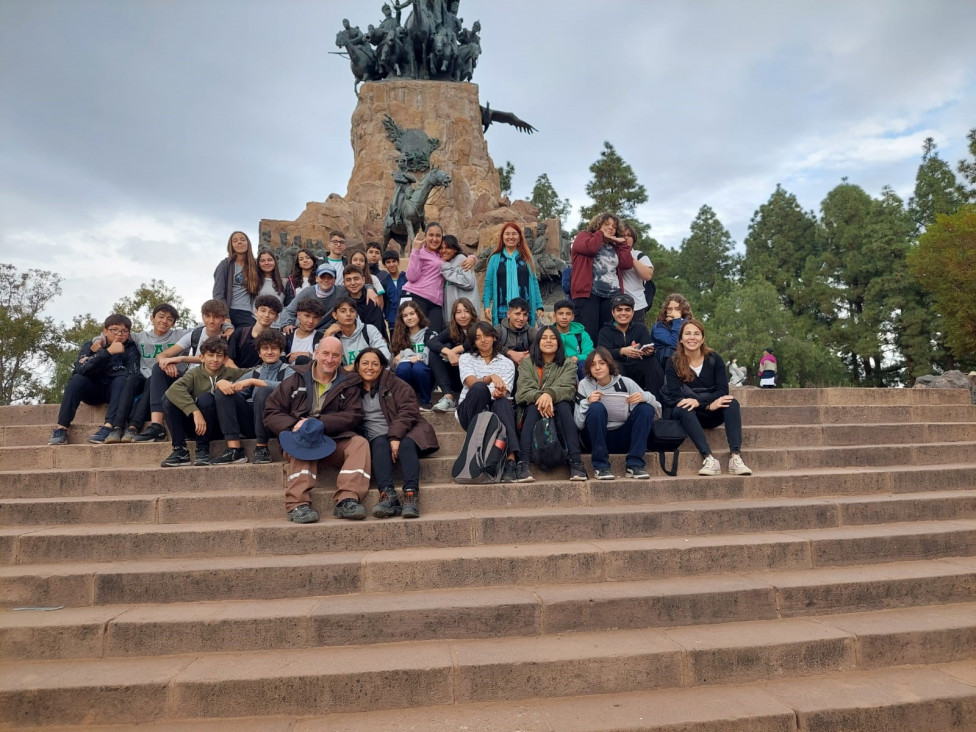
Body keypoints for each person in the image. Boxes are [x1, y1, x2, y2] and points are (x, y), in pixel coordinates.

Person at [263, 336, 371, 523]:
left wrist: (321, 423)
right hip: (302, 438)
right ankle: (298, 504)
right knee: (303, 440)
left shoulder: (349, 382)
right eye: (326, 354)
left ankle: (348, 499)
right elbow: (272, 411)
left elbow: (354, 415)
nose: (330, 359)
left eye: (335, 355)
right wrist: (294, 425)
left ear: (341, 357)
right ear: (316, 353)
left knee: (359, 443)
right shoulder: (295, 378)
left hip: (333, 438)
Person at [131, 299, 233, 443]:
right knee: (158, 369)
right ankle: (157, 426)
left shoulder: (229, 337)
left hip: (210, 380)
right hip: (189, 377)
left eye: (216, 317)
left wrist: (181, 359)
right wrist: (167, 363)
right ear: (203, 317)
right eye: (207, 316)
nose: (211, 321)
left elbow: (217, 361)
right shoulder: (196, 334)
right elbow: (162, 355)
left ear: (223, 319)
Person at [354, 347, 439, 519]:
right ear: (357, 366)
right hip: (377, 437)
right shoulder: (351, 388)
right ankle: (387, 495)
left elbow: (408, 410)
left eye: (375, 364)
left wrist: (395, 436)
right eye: (365, 363)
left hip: (408, 430)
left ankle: (410, 495)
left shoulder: (395, 383)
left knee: (407, 445)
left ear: (382, 367)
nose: (369, 367)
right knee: (379, 444)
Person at [661, 318, 752, 476]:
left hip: (710, 411)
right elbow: (676, 394)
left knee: (732, 403)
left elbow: (723, 390)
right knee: (683, 406)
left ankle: (735, 457)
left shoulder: (714, 359)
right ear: (681, 339)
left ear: (702, 338)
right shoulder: (673, 362)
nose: (692, 337)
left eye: (697, 334)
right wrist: (706, 405)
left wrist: (702, 403)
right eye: (687, 334)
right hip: (688, 414)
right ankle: (709, 458)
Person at [47, 314, 140, 445]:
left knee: (122, 380)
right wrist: (107, 352)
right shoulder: (91, 345)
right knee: (77, 379)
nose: (119, 334)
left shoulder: (131, 349)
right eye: (114, 330)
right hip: (92, 390)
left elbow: (132, 374)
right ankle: (61, 428)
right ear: (105, 331)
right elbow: (80, 369)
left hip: (115, 392)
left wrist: (93, 361)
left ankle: (108, 427)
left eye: (124, 331)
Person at [160, 336, 249, 467]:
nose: (214, 359)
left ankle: (202, 449)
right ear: (202, 357)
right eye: (210, 355)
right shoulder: (194, 374)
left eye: (219, 356)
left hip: (218, 427)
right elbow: (173, 390)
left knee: (206, 398)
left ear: (225, 359)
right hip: (196, 426)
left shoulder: (232, 373)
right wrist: (195, 412)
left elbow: (256, 371)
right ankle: (180, 451)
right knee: (168, 400)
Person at [574, 347, 660, 480]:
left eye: (602, 363)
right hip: (595, 439)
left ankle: (635, 464)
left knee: (646, 408)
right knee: (596, 408)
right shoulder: (584, 385)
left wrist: (646, 397)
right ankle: (601, 466)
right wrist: (587, 402)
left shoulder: (626, 382)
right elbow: (578, 424)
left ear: (609, 364)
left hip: (622, 436)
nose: (597, 368)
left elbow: (657, 413)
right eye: (593, 365)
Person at [212, 329, 293, 465]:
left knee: (264, 391)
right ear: (259, 353)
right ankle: (234, 450)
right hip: (253, 424)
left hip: (277, 424)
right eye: (265, 348)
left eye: (274, 348)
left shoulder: (289, 370)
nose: (269, 352)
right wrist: (220, 383)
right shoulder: (255, 372)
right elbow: (233, 391)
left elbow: (289, 388)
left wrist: (255, 382)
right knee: (223, 392)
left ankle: (262, 448)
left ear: (280, 351)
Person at [515, 326, 586, 481]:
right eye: (544, 338)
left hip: (560, 412)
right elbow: (523, 391)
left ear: (559, 343)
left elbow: (567, 388)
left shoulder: (568, 364)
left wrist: (550, 395)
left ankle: (576, 463)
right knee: (533, 408)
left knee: (563, 405)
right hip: (531, 411)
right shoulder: (527, 363)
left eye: (553, 338)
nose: (548, 341)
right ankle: (523, 464)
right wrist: (542, 397)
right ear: (538, 342)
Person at [456, 321, 522, 482]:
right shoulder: (466, 358)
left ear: (494, 337)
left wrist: (500, 393)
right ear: (473, 342)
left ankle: (511, 460)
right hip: (470, 412)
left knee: (502, 402)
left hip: (495, 412)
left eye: (486, 335)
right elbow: (471, 383)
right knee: (479, 388)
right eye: (478, 338)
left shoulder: (506, 363)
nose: (483, 340)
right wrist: (490, 377)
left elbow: (504, 391)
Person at [115, 303, 188, 443]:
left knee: (154, 376)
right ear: (152, 318)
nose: (164, 321)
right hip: (146, 380)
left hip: (171, 379)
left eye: (169, 319)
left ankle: (134, 427)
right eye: (161, 317)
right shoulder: (141, 337)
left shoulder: (180, 335)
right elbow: (115, 332)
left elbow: (208, 325)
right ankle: (117, 426)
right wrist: (98, 340)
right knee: (133, 380)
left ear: (173, 323)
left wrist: (227, 326)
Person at [569, 212, 634, 344]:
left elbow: (627, 264)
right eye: (606, 224)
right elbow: (591, 249)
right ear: (598, 225)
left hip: (612, 295)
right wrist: (600, 234)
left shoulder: (615, 246)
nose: (611, 228)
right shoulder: (583, 237)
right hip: (588, 294)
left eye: (614, 226)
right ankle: (587, 363)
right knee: (589, 335)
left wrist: (621, 243)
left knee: (608, 335)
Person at [482, 222, 545, 326]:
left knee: (526, 340)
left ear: (520, 237)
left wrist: (539, 305)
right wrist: (487, 305)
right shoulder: (495, 258)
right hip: (502, 310)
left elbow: (534, 282)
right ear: (502, 237)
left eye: (514, 234)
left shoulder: (527, 258)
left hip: (524, 310)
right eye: (507, 234)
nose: (510, 237)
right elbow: (488, 283)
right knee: (503, 339)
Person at [597, 293, 658, 395]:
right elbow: (602, 352)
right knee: (615, 364)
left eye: (627, 310)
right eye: (619, 310)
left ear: (633, 312)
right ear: (613, 312)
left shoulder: (640, 328)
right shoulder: (605, 331)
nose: (623, 313)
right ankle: (623, 402)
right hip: (617, 370)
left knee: (652, 362)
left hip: (637, 367)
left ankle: (655, 401)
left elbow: (647, 346)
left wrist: (648, 352)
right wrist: (622, 351)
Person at [428, 296, 477, 412]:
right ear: (454, 315)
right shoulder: (452, 329)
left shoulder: (479, 328)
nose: (463, 316)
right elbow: (432, 342)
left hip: (474, 376)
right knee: (435, 353)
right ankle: (448, 396)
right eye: (458, 312)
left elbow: (476, 342)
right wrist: (449, 352)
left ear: (472, 313)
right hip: (455, 376)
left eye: (466, 311)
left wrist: (457, 350)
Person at [391, 300, 435, 410]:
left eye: (412, 314)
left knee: (418, 367)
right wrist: (411, 356)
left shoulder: (430, 334)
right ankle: (404, 403)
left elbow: (427, 357)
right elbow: (395, 362)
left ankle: (426, 402)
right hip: (406, 377)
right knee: (404, 368)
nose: (409, 318)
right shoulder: (399, 336)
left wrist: (405, 354)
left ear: (418, 314)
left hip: (425, 377)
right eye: (405, 316)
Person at [324, 297, 391, 369]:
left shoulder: (368, 330)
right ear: (335, 315)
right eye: (343, 311)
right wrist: (327, 334)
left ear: (356, 313)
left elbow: (385, 355)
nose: (348, 314)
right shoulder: (332, 335)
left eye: (352, 311)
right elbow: (322, 363)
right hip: (347, 378)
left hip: (370, 374)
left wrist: (354, 366)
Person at [403, 222, 447, 331]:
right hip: (416, 296)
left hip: (436, 303)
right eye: (431, 235)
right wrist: (415, 250)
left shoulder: (443, 254)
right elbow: (411, 277)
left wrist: (472, 258)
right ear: (426, 236)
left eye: (438, 235)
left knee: (435, 336)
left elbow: (458, 254)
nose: (434, 239)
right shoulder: (420, 252)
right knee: (413, 336)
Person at [213, 231, 260, 329]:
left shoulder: (254, 266)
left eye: (242, 240)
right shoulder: (225, 265)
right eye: (235, 241)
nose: (239, 242)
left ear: (248, 243)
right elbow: (218, 294)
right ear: (231, 246)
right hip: (230, 312)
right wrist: (225, 315)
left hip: (248, 314)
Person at [228, 294, 282, 368]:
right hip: (238, 376)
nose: (266, 315)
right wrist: (244, 377)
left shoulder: (277, 338)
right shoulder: (239, 333)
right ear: (256, 311)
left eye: (271, 313)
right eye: (263, 310)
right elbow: (227, 360)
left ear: (276, 317)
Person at [617, 220, 655, 323]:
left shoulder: (639, 255)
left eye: (629, 235)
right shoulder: (611, 255)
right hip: (615, 306)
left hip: (636, 305)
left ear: (633, 239)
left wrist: (630, 258)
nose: (625, 238)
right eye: (622, 235)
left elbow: (648, 275)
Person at [553, 298, 593, 380]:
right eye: (560, 314)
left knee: (583, 365)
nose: (564, 317)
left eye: (568, 314)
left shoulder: (582, 334)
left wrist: (578, 358)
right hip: (556, 365)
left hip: (577, 365)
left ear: (572, 316)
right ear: (554, 316)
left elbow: (590, 353)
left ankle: (585, 391)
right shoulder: (549, 334)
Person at [439, 234, 479, 316]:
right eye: (441, 248)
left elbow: (468, 282)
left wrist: (446, 269)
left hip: (466, 314)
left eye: (448, 247)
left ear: (455, 249)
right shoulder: (445, 263)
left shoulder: (462, 260)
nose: (444, 251)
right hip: (453, 316)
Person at [651, 294, 693, 367]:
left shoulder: (689, 324)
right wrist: (677, 320)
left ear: (683, 310)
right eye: (670, 309)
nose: (673, 312)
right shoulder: (659, 327)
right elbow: (675, 343)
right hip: (664, 362)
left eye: (677, 309)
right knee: (671, 352)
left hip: (687, 359)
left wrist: (679, 321)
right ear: (666, 310)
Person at [496, 298, 537, 368]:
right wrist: (509, 352)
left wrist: (530, 355)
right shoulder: (498, 330)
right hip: (501, 370)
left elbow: (542, 348)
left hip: (524, 370)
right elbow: (488, 347)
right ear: (508, 314)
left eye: (525, 315)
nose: (521, 318)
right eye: (517, 314)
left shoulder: (531, 332)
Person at [285, 297, 325, 365]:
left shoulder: (321, 338)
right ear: (299, 314)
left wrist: (309, 355)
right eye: (307, 316)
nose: (311, 321)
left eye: (315, 317)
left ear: (320, 319)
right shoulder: (287, 335)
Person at [255, 248, 296, 313]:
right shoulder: (253, 282)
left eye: (270, 260)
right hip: (256, 321)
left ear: (275, 261)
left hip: (278, 322)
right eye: (262, 260)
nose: (266, 263)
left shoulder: (284, 283)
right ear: (258, 263)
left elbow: (288, 305)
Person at [382, 248, 407, 331]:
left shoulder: (407, 278)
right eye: (388, 262)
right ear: (384, 265)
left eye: (394, 261)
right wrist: (388, 317)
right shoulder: (384, 283)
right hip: (393, 322)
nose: (391, 264)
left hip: (408, 319)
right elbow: (384, 302)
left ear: (398, 262)